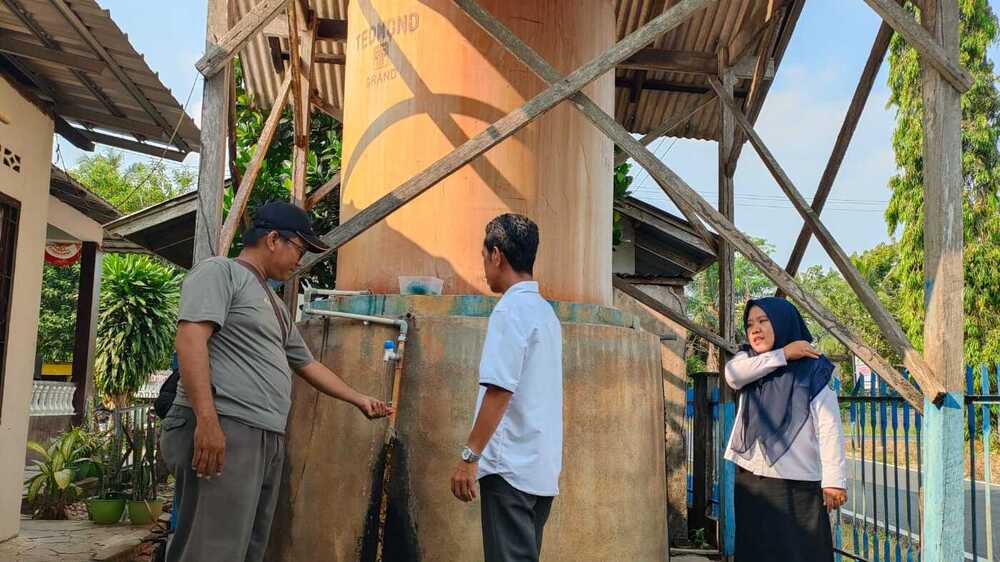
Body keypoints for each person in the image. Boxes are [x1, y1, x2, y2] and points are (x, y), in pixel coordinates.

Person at [161, 201, 393, 562]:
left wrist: (357, 398)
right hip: (227, 424)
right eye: (298, 249)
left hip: (264, 434)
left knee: (248, 546)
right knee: (212, 547)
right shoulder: (220, 272)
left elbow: (307, 364)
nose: (299, 260)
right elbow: (190, 339)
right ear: (272, 239)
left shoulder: (274, 303)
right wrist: (207, 421)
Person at [450, 214, 563, 562]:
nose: (484, 267)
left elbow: (499, 391)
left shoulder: (510, 310)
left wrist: (470, 457)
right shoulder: (546, 313)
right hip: (540, 469)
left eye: (484, 257)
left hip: (509, 467)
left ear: (496, 255)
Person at [724, 297, 848, 562]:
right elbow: (732, 376)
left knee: (800, 553)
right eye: (750, 324)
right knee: (755, 551)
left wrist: (834, 480)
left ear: (783, 321)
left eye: (763, 321)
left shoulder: (814, 369)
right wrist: (783, 354)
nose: (755, 329)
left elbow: (829, 427)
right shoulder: (749, 360)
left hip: (798, 481)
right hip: (752, 478)